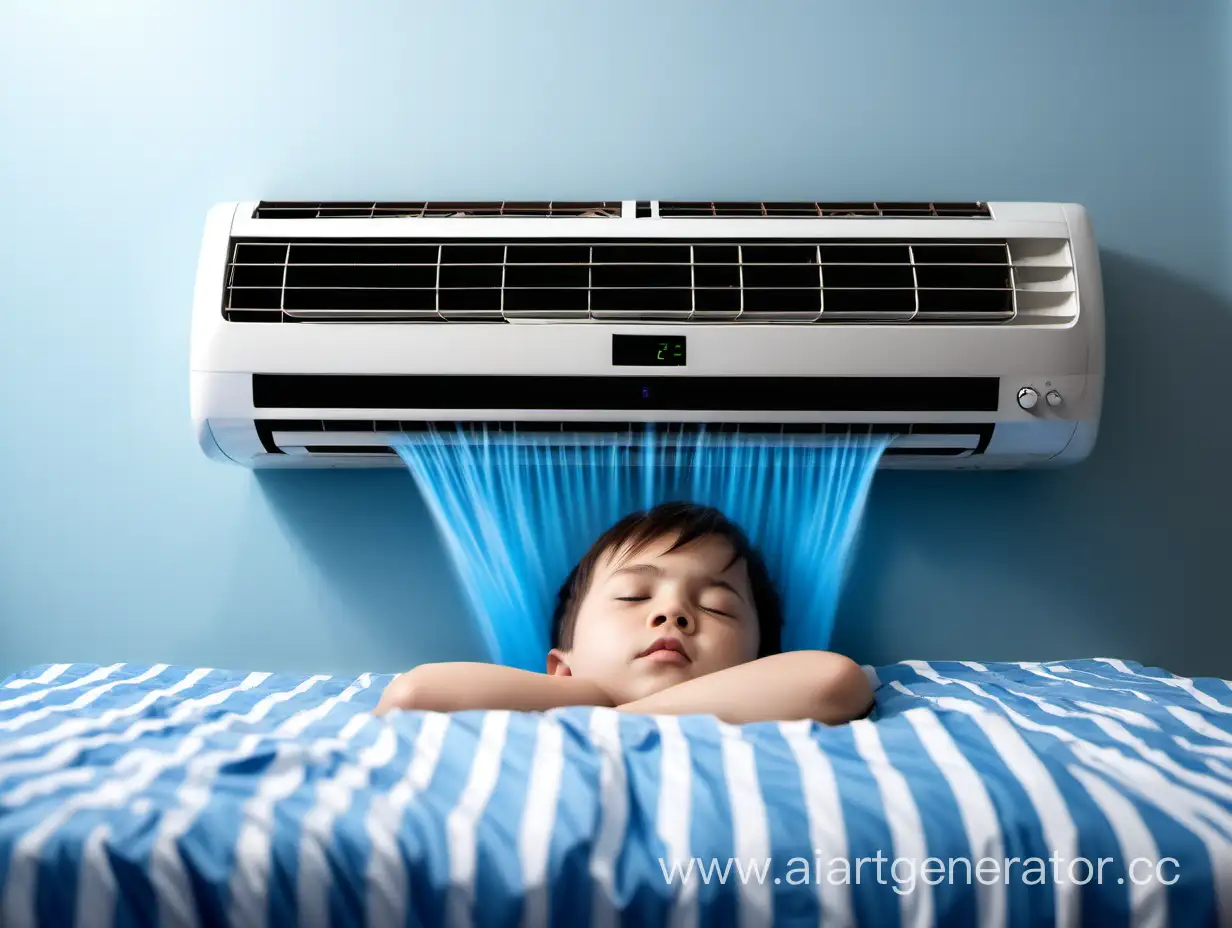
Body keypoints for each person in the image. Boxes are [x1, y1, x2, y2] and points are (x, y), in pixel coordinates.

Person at [375, 501, 874, 725]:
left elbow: (833, 680)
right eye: (635, 596)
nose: (674, 612)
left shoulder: (779, 697)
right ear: (560, 665)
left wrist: (617, 713)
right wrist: (585, 692)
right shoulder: (560, 697)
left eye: (716, 606)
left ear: (760, 663)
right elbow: (414, 694)